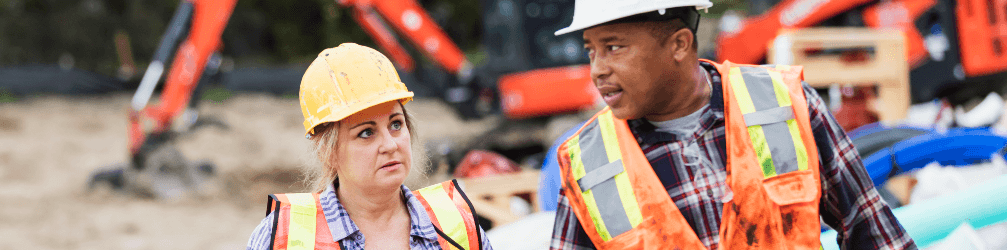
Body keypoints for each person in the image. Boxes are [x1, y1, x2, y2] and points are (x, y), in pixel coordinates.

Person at [547, 0, 916, 249]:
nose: (598, 70)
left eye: (614, 48)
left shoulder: (785, 104)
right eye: (591, 51)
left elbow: (874, 233)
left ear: (679, 44)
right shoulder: (589, 164)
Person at [246, 43, 493, 250]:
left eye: (396, 124)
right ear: (328, 151)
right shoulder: (284, 238)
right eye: (366, 132)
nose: (390, 144)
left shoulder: (457, 225)